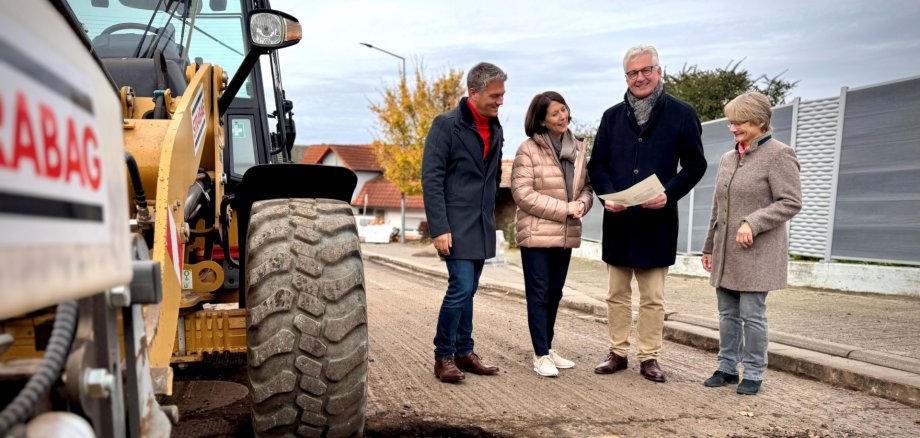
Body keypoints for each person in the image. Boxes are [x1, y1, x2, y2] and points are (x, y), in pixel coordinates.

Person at [587, 45, 707, 383]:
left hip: (657, 222)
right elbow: (598, 164)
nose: (639, 77)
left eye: (645, 70)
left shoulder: (682, 114)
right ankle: (617, 352)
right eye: (632, 73)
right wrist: (607, 195)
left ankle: (649, 356)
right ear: (625, 77)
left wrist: (668, 194)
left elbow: (696, 165)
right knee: (616, 293)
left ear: (659, 71)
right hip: (619, 220)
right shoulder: (611, 117)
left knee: (653, 298)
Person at [701, 91, 802, 395]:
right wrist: (709, 247)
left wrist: (753, 222)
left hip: (757, 253)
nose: (733, 128)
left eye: (740, 122)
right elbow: (718, 208)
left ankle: (755, 372)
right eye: (731, 122)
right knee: (727, 314)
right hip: (726, 252)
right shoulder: (728, 158)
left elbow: (791, 202)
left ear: (760, 121)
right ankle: (727, 367)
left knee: (751, 315)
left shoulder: (780, 154)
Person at [422, 62, 507, 383]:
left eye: (502, 95)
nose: (500, 101)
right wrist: (439, 227)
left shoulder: (496, 127)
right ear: (474, 92)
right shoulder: (446, 125)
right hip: (454, 225)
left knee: (470, 290)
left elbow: (495, 176)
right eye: (495, 95)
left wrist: (492, 216)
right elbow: (431, 178)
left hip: (481, 223)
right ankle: (443, 356)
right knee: (459, 288)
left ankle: (464, 351)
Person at [511, 92, 594, 377]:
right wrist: (565, 207)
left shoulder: (578, 148)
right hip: (536, 235)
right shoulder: (527, 150)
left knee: (555, 293)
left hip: (565, 234)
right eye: (555, 113)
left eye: (564, 110)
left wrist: (583, 202)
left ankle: (547, 346)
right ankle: (540, 354)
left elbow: (586, 186)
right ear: (542, 120)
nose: (562, 116)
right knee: (539, 294)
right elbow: (522, 194)